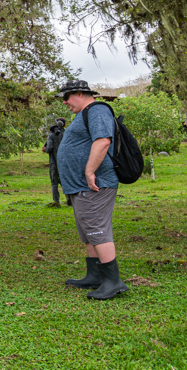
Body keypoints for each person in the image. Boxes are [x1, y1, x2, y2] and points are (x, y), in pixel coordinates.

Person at [55, 80, 128, 300]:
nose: (65, 102)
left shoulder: (97, 110)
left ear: (80, 93)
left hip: (95, 183)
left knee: (96, 229)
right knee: (87, 231)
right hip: (79, 186)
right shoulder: (83, 114)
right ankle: (95, 275)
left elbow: (103, 141)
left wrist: (89, 170)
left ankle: (113, 282)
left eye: (67, 97)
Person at [43, 117, 67, 206]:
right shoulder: (67, 134)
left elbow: (49, 148)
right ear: (64, 125)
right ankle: (70, 199)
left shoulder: (51, 135)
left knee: (54, 183)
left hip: (54, 162)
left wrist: (45, 149)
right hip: (65, 162)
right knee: (65, 181)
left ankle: (56, 201)